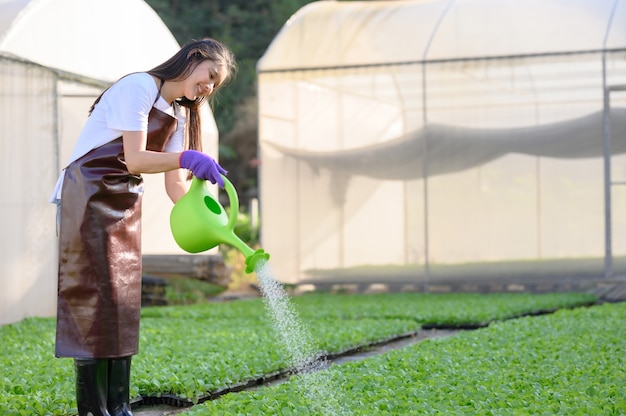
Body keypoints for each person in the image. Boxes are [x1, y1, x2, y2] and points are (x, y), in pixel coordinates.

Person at [49, 38, 236, 416]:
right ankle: (92, 409)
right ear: (193, 58)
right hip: (86, 196)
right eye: (210, 76)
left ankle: (119, 407)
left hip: (124, 202)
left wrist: (206, 218)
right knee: (92, 300)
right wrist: (185, 156)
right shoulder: (137, 87)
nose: (209, 88)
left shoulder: (180, 116)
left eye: (216, 85)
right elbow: (135, 158)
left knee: (122, 302)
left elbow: (174, 184)